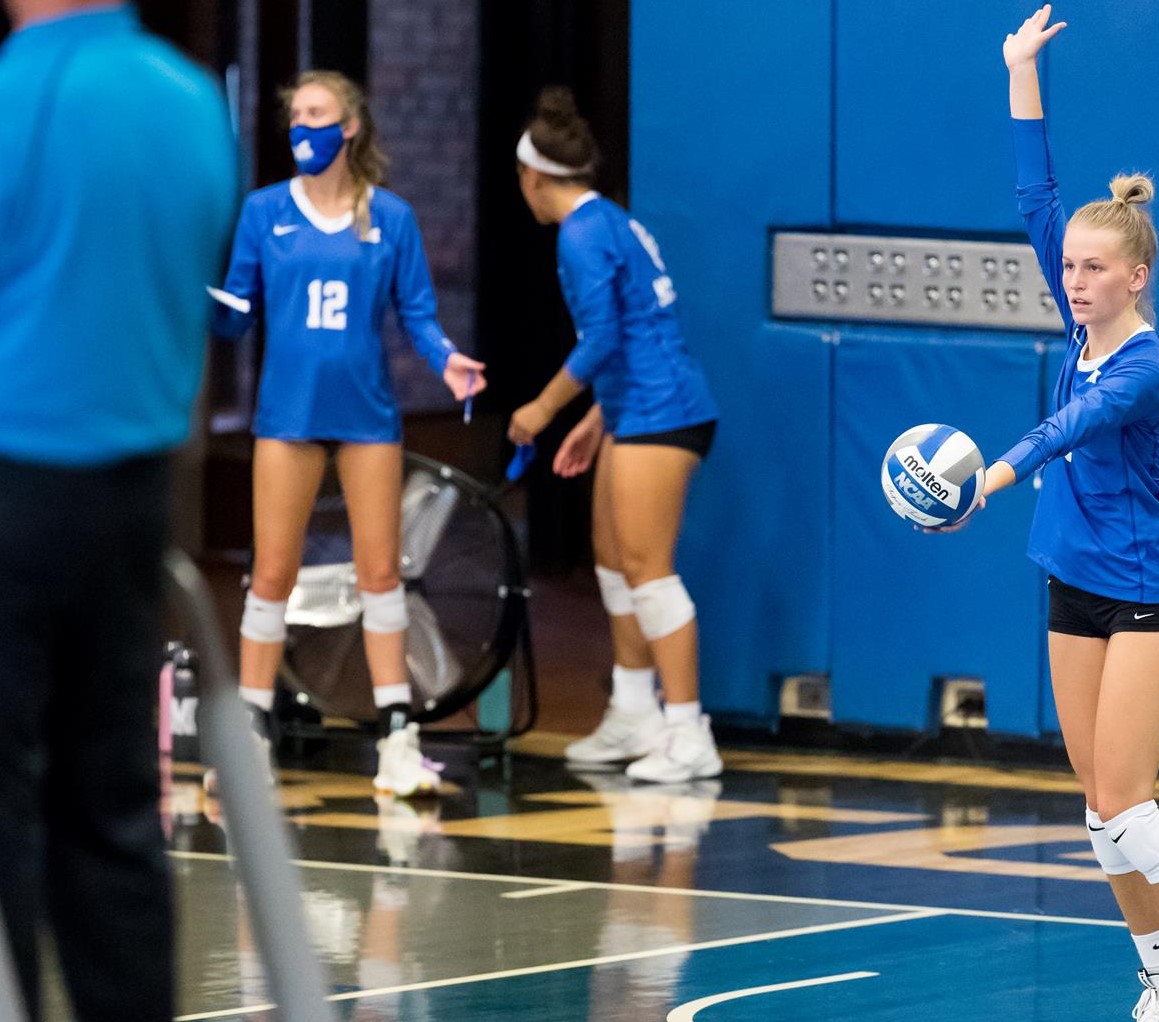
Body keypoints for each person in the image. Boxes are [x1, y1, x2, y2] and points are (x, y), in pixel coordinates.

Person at [941, 8, 1159, 1021]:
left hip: (1142, 593)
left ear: (1135, 275)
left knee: (1130, 803)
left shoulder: (1146, 366)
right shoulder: (1080, 318)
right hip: (1071, 581)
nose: (1074, 280)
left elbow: (1071, 427)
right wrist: (1018, 72)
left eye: (1093, 269)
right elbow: (1032, 192)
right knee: (1099, 815)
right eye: (1069, 268)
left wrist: (983, 480)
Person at [0, 2, 238, 1017]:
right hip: (139, 502)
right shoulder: (192, 105)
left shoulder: (20, 94)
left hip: (17, 483)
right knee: (111, 810)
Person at [208, 70, 488, 798]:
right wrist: (204, 300)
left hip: (366, 413)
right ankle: (251, 736)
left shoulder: (388, 218)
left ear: (350, 126)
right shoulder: (264, 212)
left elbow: (418, 315)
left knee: (382, 575)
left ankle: (397, 740)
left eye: (317, 113)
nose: (304, 126)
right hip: (288, 415)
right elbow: (235, 318)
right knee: (271, 574)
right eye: (295, 114)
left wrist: (447, 360)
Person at [507, 87, 723, 786]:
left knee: (648, 569)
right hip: (633, 408)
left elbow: (603, 336)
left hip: (663, 410)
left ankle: (689, 732)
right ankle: (634, 712)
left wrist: (541, 410)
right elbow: (637, 328)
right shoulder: (609, 222)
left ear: (532, 178)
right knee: (611, 560)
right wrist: (597, 417)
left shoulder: (579, 234)